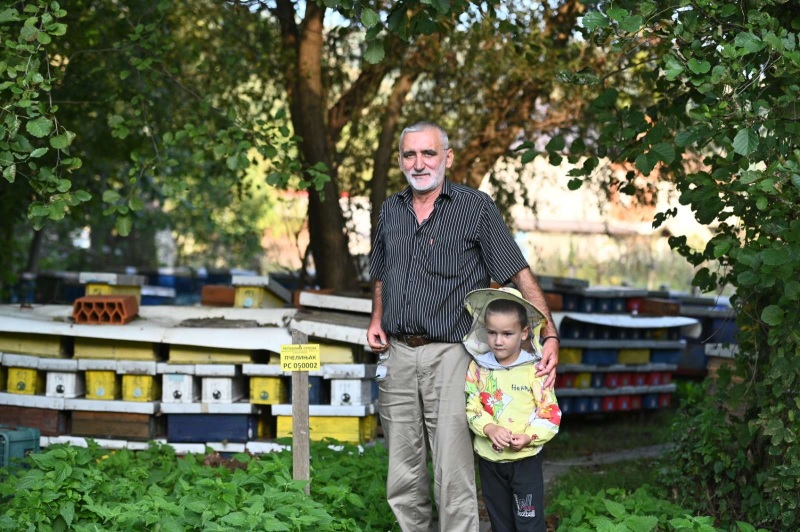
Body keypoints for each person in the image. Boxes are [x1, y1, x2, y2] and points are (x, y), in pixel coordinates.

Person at [367, 120, 559, 531]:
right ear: (401, 160)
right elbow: (381, 272)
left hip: (452, 354)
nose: (419, 163)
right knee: (402, 472)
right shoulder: (390, 211)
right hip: (397, 355)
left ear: (447, 158)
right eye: (410, 155)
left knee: (452, 471)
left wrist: (549, 331)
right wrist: (377, 317)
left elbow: (516, 271)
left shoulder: (475, 208)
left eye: (428, 153)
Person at [464, 287, 561, 532]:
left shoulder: (535, 370)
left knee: (529, 523)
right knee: (500, 523)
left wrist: (530, 436)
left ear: (525, 332)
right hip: (490, 460)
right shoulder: (478, 368)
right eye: (492, 332)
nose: (498, 340)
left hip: (525, 461)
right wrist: (489, 427)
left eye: (507, 333)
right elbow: (472, 404)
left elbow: (550, 413)